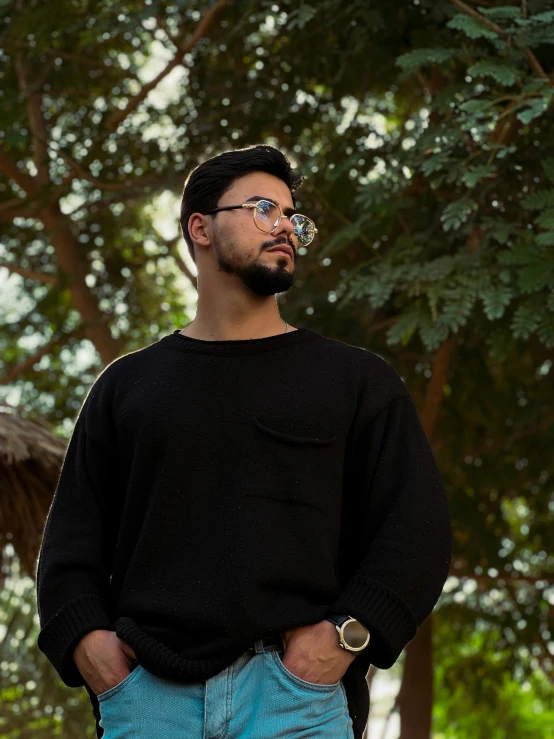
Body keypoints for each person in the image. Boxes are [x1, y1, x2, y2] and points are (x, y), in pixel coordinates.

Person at [36, 144, 452, 739]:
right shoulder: (126, 387)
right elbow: (70, 546)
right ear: (200, 228)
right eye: (263, 209)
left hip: (299, 700)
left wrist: (341, 641)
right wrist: (89, 648)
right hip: (147, 698)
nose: (285, 226)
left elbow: (418, 532)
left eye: (291, 216)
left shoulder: (357, 382)